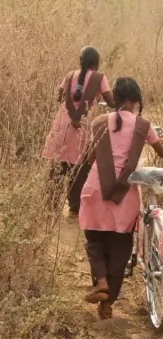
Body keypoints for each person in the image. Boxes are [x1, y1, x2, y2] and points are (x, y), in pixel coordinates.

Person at [80, 77, 163, 320]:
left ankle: (100, 282)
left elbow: (91, 158)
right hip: (124, 199)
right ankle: (108, 301)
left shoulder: (100, 122)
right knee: (120, 248)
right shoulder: (144, 126)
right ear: (137, 100)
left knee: (95, 240)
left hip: (95, 190)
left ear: (115, 97)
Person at [42, 46, 115, 217]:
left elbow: (59, 98)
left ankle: (50, 210)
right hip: (80, 128)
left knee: (57, 166)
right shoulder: (99, 78)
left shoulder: (69, 76)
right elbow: (111, 102)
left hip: (61, 125)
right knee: (80, 168)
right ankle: (75, 208)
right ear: (96, 63)